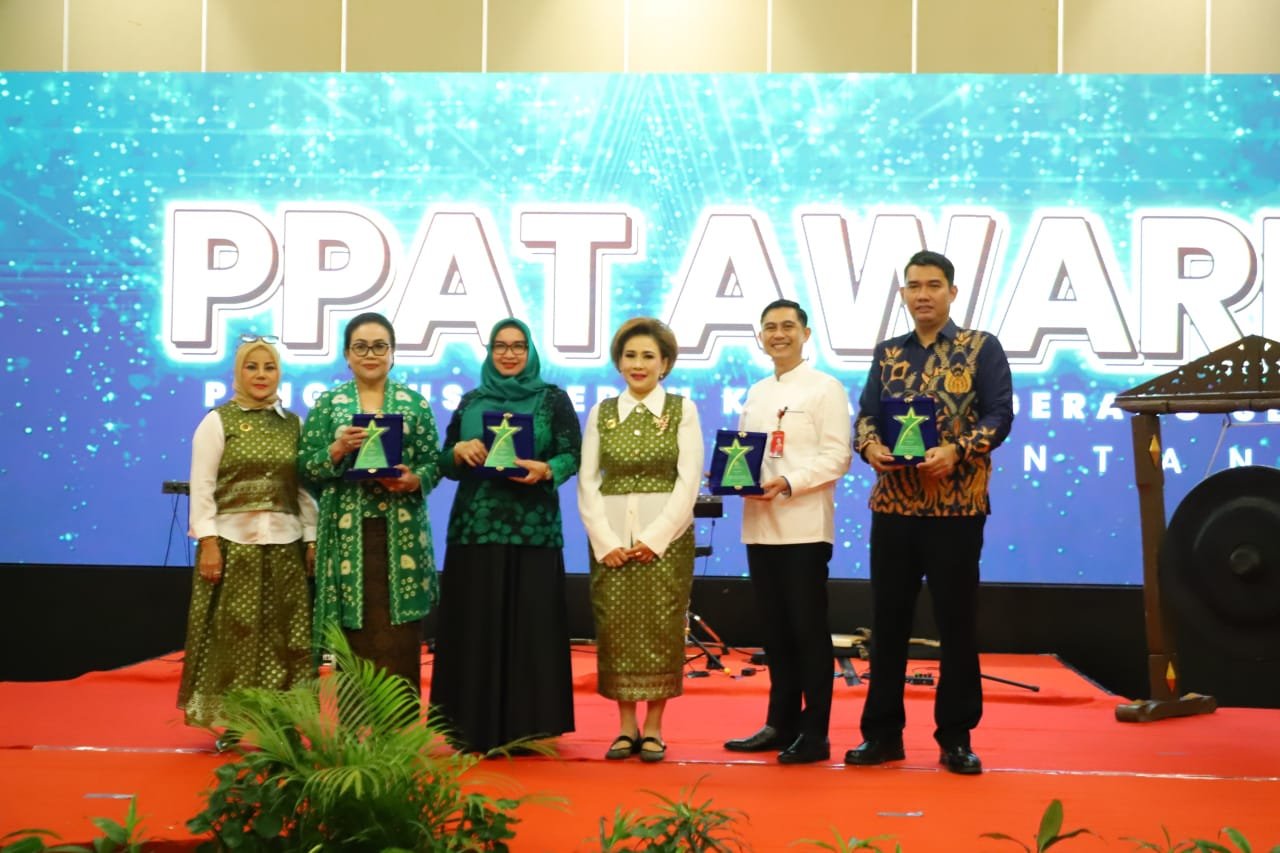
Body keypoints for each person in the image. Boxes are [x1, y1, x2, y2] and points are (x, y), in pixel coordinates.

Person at [846, 249, 1013, 775]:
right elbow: (866, 417)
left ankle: (956, 738)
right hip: (894, 506)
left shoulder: (980, 347)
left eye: (933, 285)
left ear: (952, 292)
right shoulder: (888, 353)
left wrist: (957, 451)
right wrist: (870, 447)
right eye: (914, 286)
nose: (923, 295)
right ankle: (882, 736)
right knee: (887, 623)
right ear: (903, 294)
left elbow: (1000, 416)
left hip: (957, 509)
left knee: (956, 624)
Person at [429, 318, 582, 753]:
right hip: (475, 528)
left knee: (531, 626)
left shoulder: (552, 399)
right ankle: (470, 725)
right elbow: (445, 462)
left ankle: (529, 727)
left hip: (533, 528)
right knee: (474, 626)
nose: (509, 354)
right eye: (500, 346)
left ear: (529, 352)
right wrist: (458, 452)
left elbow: (573, 453)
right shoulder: (472, 401)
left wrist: (547, 469)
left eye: (518, 346)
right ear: (490, 352)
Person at [723, 299, 852, 765]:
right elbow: (746, 454)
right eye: (770, 327)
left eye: (787, 326)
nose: (778, 334)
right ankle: (780, 724)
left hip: (804, 527)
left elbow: (838, 456)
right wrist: (734, 478)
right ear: (760, 337)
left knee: (807, 632)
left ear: (805, 333)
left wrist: (789, 482)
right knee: (775, 633)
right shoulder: (758, 392)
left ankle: (815, 733)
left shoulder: (825, 388)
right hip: (760, 527)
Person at [578, 318, 704, 763]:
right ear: (618, 362)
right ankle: (625, 727)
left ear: (665, 363)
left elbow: (688, 482)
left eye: (648, 356)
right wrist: (604, 541)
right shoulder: (602, 412)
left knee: (661, 628)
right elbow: (588, 481)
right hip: (611, 543)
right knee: (615, 630)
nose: (638, 364)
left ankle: (654, 728)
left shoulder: (683, 410)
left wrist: (655, 538)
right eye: (630, 355)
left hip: (666, 542)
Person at [178, 336, 316, 737]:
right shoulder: (218, 421)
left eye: (269, 367)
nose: (261, 375)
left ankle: (283, 726)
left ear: (279, 374)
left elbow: (303, 490)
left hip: (285, 548)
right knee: (235, 637)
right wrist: (208, 542)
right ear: (238, 372)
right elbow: (202, 486)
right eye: (251, 367)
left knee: (286, 638)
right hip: (232, 547)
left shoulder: (294, 424)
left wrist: (311, 538)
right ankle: (235, 725)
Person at [299, 312, 440, 704]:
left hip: (401, 535)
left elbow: (434, 463)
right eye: (360, 347)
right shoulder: (329, 404)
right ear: (347, 355)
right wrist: (337, 449)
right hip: (346, 536)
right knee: (353, 634)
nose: (371, 354)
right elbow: (305, 467)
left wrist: (414, 480)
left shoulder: (414, 403)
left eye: (380, 346)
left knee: (400, 635)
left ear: (393, 353)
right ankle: (354, 731)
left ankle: (399, 730)